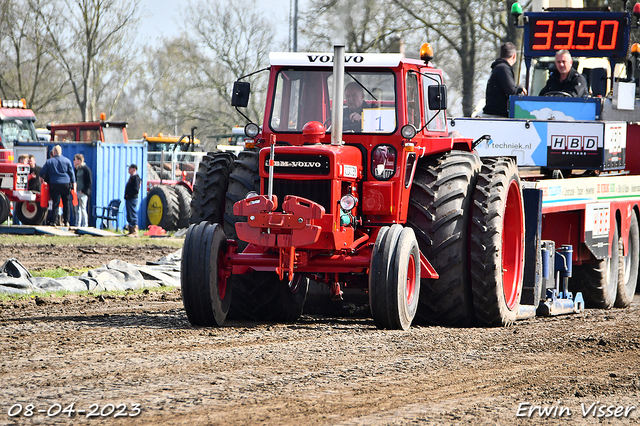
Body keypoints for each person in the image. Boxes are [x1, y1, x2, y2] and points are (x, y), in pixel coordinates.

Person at [482, 42, 527, 118]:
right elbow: (511, 91)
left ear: (500, 55)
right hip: (497, 116)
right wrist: (520, 89)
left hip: (492, 115)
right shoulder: (503, 68)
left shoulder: (497, 68)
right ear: (514, 56)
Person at [39, 145, 76, 227]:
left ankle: (54, 222)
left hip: (55, 184)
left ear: (54, 152)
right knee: (66, 203)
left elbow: (41, 172)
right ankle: (66, 221)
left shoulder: (50, 161)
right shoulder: (67, 161)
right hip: (66, 184)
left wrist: (41, 180)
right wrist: (74, 184)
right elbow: (71, 174)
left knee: (56, 203)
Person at [73, 153, 92, 227]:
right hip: (77, 191)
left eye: (76, 160)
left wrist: (84, 190)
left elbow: (89, 182)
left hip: (83, 193)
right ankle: (77, 223)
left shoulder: (86, 169)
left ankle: (85, 224)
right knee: (77, 209)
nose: (75, 161)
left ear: (79, 160)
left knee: (83, 208)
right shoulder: (78, 169)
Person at [124, 164, 141, 237]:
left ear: (134, 169)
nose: (128, 170)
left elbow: (136, 189)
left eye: (130, 168)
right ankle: (130, 230)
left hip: (132, 199)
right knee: (129, 214)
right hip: (128, 199)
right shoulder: (131, 177)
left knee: (133, 214)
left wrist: (129, 194)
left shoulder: (136, 178)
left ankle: (135, 231)